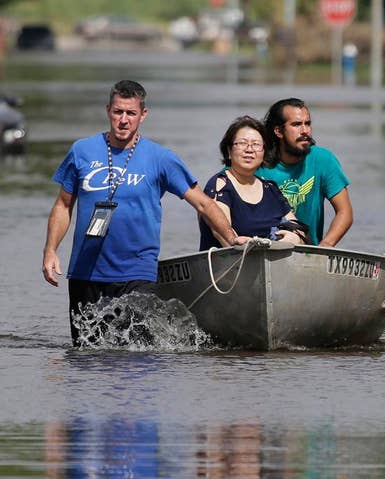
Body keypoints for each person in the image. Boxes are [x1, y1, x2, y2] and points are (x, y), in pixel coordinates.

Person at [41, 80, 249, 346]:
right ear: (108, 110)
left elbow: (203, 203)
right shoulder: (82, 151)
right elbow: (63, 205)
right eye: (118, 112)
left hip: (136, 272)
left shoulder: (160, 158)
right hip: (86, 272)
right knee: (86, 354)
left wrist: (231, 238)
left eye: (131, 113)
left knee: (138, 355)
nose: (123, 120)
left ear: (143, 115)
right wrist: (50, 250)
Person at [198, 115, 306, 250]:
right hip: (232, 261)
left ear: (264, 152)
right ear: (229, 151)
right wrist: (246, 246)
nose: (249, 149)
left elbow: (299, 230)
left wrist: (295, 238)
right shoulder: (219, 186)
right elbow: (222, 235)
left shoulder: (270, 189)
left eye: (256, 144)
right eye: (242, 143)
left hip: (273, 260)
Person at [255, 98, 352, 247]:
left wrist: (325, 246)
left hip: (307, 250)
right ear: (278, 131)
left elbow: (344, 212)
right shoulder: (256, 162)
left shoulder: (323, 159)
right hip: (262, 248)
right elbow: (222, 188)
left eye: (307, 123)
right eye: (296, 124)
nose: (305, 130)